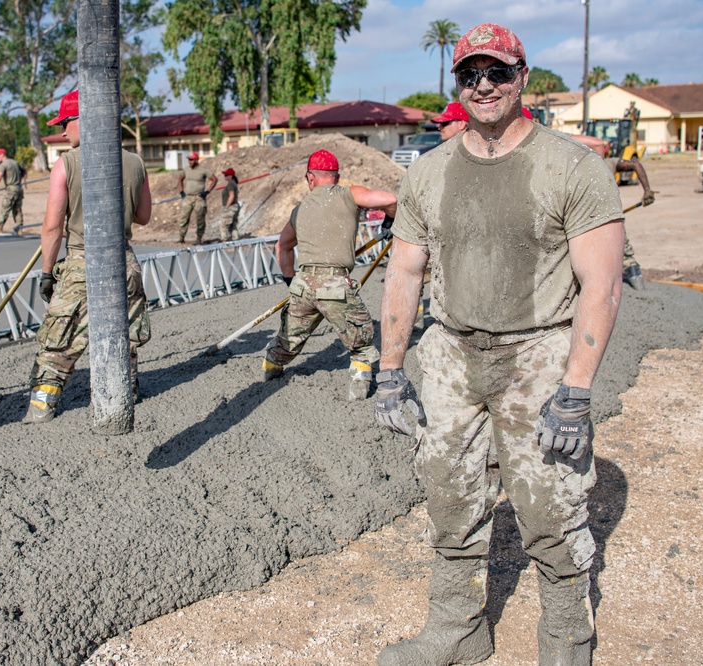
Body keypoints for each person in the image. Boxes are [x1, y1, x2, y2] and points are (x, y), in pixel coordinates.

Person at [375, 23, 624, 666]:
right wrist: (391, 369)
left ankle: (567, 644)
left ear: (523, 78)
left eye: (497, 72)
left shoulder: (572, 167)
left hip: (537, 354)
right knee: (449, 498)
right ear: (457, 85)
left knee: (550, 509)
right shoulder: (428, 174)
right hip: (453, 354)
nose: (484, 86)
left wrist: (575, 390)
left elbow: (601, 284)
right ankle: (458, 632)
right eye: (470, 75)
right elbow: (404, 272)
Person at [24, 91, 152, 423]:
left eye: (66, 123)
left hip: (83, 263)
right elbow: (143, 217)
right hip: (124, 262)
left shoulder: (67, 163)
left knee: (61, 336)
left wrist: (47, 273)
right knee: (124, 334)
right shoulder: (136, 163)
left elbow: (53, 227)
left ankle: (42, 403)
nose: (64, 132)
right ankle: (126, 392)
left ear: (83, 120)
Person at [263, 149, 396, 402]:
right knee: (361, 342)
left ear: (310, 178)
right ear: (336, 176)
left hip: (303, 285)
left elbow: (283, 247)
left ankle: (270, 368)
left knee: (289, 340)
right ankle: (359, 391)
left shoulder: (299, 210)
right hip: (335, 285)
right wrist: (391, 220)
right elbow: (391, 199)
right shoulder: (350, 194)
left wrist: (292, 281)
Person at [605, 155, 656, 290]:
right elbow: (635, 164)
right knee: (623, 248)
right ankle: (634, 277)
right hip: (610, 214)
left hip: (602, 214)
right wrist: (647, 190)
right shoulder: (608, 162)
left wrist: (647, 191)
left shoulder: (606, 163)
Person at [175, 151, 216, 244]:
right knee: (183, 217)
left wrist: (207, 191)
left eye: (191, 159)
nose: (190, 161)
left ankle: (199, 238)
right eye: (189, 159)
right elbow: (180, 179)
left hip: (199, 198)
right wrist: (181, 191)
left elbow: (214, 179)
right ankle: (181, 237)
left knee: (200, 218)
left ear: (196, 160)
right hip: (188, 198)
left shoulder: (203, 170)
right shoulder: (186, 170)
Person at [0, 147, 25, 233]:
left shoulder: (3, 165)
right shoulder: (15, 162)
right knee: (17, 210)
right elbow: (23, 171)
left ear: (2, 155)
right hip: (18, 188)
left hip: (11, 190)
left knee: (5, 208)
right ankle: (20, 228)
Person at [219, 167, 241, 242]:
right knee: (233, 225)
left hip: (231, 207)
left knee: (223, 224)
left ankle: (224, 240)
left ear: (231, 176)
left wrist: (227, 207)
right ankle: (235, 238)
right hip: (234, 207)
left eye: (226, 175)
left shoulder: (230, 184)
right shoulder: (233, 183)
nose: (225, 176)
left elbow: (231, 196)